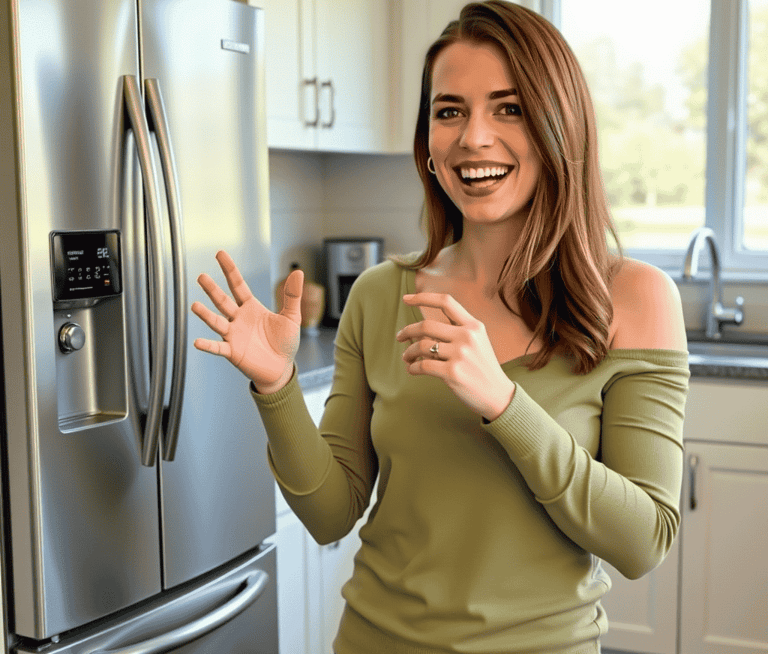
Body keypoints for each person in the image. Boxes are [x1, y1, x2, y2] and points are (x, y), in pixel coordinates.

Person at [191, 2, 690, 652]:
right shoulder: (380, 296)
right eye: (449, 111)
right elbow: (329, 512)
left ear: (559, 126)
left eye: (508, 108)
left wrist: (504, 403)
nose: (472, 138)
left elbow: (642, 541)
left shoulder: (634, 298)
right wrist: (278, 385)